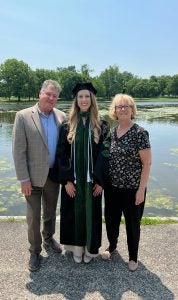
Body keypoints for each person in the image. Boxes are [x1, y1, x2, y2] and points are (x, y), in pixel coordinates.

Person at [12, 79, 66, 272]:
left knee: (50, 212)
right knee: (33, 216)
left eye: (55, 96)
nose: (51, 98)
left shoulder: (62, 117)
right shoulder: (23, 116)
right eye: (48, 94)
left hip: (53, 176)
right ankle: (34, 251)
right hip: (32, 177)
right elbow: (18, 150)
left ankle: (48, 238)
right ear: (40, 93)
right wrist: (23, 178)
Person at [55, 82, 110, 263]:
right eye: (80, 97)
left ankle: (90, 249)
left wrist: (101, 181)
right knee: (73, 213)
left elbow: (105, 155)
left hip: (92, 182)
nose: (84, 100)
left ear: (92, 100)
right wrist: (66, 181)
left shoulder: (101, 126)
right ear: (76, 100)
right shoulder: (67, 125)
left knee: (91, 214)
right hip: (74, 181)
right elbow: (61, 154)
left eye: (87, 96)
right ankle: (76, 248)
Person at [102, 93, 152, 272]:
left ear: (132, 110)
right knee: (111, 220)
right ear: (114, 111)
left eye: (126, 106)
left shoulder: (140, 133)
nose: (122, 109)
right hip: (113, 188)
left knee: (132, 224)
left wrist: (141, 190)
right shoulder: (112, 132)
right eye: (119, 107)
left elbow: (147, 163)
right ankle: (112, 246)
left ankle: (133, 256)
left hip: (133, 189)